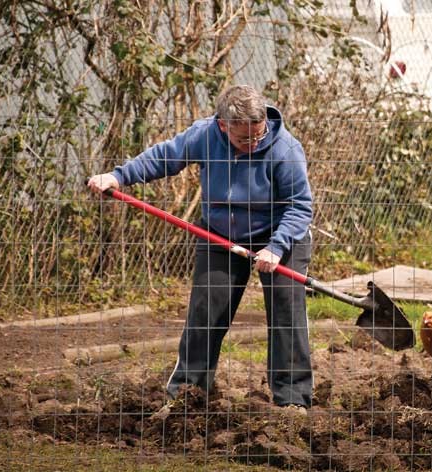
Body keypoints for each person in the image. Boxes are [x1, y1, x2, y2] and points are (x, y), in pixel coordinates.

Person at [87, 85, 314, 415]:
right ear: (224, 126)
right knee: (205, 313)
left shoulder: (285, 150)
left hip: (281, 234)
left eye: (257, 136)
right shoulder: (205, 135)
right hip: (221, 233)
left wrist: (276, 248)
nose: (252, 144)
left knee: (286, 312)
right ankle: (187, 396)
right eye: (243, 140)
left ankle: (292, 401)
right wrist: (118, 176)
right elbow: (165, 157)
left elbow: (299, 206)